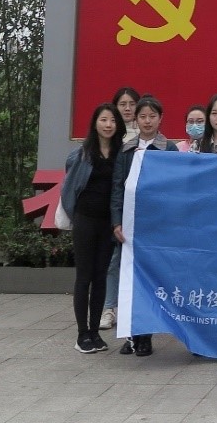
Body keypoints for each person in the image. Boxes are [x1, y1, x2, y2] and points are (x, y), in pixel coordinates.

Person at [110, 95, 179, 357]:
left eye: (152, 116)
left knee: (151, 279)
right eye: (143, 116)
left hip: (157, 225)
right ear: (135, 120)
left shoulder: (169, 150)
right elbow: (117, 188)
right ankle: (131, 335)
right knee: (130, 279)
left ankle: (146, 336)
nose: (147, 121)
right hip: (130, 225)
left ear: (160, 119)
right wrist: (116, 221)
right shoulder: (126, 149)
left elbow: (174, 189)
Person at [62, 102, 125, 353]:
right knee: (84, 277)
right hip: (85, 220)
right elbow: (69, 188)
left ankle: (95, 333)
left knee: (100, 277)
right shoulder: (82, 154)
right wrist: (75, 215)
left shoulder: (120, 154)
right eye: (103, 120)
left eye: (112, 120)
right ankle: (82, 335)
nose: (108, 125)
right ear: (95, 123)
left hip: (107, 223)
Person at [99, 86, 140, 329]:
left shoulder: (144, 137)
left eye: (131, 104)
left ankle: (131, 308)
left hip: (134, 210)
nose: (127, 108)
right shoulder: (111, 136)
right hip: (110, 207)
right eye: (122, 104)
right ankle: (108, 308)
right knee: (112, 260)